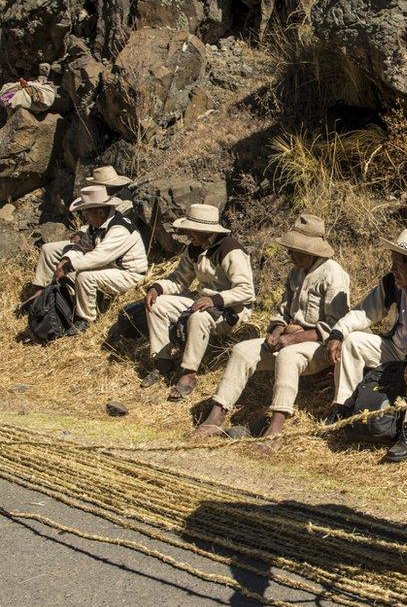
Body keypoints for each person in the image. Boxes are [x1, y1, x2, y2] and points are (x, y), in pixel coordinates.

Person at [192, 215, 350, 442]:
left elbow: (336, 326)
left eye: (294, 250)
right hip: (290, 337)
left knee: (288, 356)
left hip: (318, 346)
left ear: (310, 251)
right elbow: (283, 311)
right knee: (242, 351)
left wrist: (294, 340)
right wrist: (275, 333)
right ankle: (216, 415)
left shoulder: (333, 274)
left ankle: (275, 428)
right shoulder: (296, 271)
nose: (289, 254)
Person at [324, 229, 407, 463]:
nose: (393, 268)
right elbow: (365, 312)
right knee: (354, 342)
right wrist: (338, 332)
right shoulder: (391, 283)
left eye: (398, 263)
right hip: (396, 348)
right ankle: (342, 407)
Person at [141, 204, 255, 401]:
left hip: (231, 309)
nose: (187, 234)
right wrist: (157, 288)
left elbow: (246, 291)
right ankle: (163, 360)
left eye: (191, 229)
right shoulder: (194, 248)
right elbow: (179, 279)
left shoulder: (230, 250)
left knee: (199, 317)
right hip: (202, 301)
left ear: (205, 230)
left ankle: (189, 372)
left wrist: (216, 299)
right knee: (157, 305)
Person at [27, 185, 148, 334]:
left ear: (101, 211)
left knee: (85, 277)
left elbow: (99, 257)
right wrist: (65, 260)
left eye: (89, 213)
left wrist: (67, 267)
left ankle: (85, 320)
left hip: (129, 274)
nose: (86, 218)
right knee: (75, 274)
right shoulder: (97, 226)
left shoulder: (119, 229)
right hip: (112, 268)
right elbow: (81, 247)